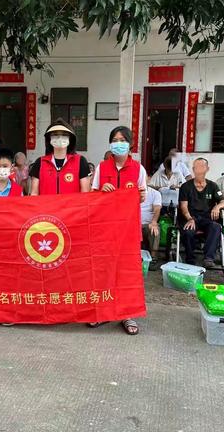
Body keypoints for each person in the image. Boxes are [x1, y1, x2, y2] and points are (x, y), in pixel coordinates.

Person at [91, 125, 147, 335]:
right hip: (105, 229)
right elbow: (92, 197)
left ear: (130, 144)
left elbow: (142, 196)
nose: (119, 143)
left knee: (127, 273)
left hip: (128, 230)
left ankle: (127, 314)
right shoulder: (102, 167)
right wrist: (101, 192)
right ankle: (103, 312)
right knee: (104, 270)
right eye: (115, 139)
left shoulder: (138, 169)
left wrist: (141, 196)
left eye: (123, 139)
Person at [179, 158, 224, 268]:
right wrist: (189, 218)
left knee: (216, 227)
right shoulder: (186, 187)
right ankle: (190, 259)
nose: (199, 170)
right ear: (193, 169)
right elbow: (183, 206)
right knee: (188, 231)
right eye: (197, 167)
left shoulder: (213, 186)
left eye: (202, 167)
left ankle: (209, 258)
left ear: (207, 169)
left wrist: (217, 207)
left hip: (207, 218)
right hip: (190, 218)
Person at [29, 118, 90, 195]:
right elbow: (34, 193)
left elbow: (85, 193)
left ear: (70, 139)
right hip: (46, 207)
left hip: (72, 207)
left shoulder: (80, 161)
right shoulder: (40, 162)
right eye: (55, 135)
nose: (59, 138)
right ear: (49, 139)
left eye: (64, 135)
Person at [141, 186, 162, 263]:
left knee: (155, 229)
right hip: (133, 223)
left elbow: (157, 208)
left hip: (148, 224)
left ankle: (153, 257)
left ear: (149, 178)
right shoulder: (131, 191)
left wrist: (154, 222)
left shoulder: (155, 193)